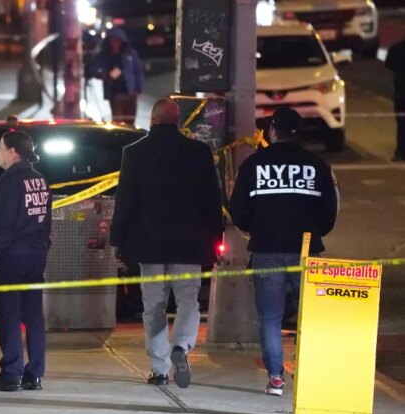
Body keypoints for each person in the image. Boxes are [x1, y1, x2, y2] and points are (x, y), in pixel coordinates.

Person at [110, 99, 223, 389]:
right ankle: (181, 347)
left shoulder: (134, 153)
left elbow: (125, 201)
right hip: (189, 243)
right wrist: (216, 239)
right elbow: (212, 199)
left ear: (152, 119)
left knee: (154, 305)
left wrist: (118, 241)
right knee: (188, 301)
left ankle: (159, 368)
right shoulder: (198, 152)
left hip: (149, 244)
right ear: (176, 120)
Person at [230, 107, 338, 396]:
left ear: (272, 131)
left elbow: (238, 212)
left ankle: (276, 378)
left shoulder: (253, 166)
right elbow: (328, 214)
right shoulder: (317, 165)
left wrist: (257, 227)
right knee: (309, 317)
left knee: (270, 318)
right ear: (298, 132)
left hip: (266, 249)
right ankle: (309, 375)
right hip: (306, 251)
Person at [0, 131, 52, 392]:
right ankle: (34, 373)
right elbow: (45, 223)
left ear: (13, 152)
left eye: (0, 147)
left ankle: (11, 372)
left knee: (8, 315)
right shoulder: (39, 180)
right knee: (33, 315)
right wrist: (43, 248)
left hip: (11, 256)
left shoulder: (9, 182)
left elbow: (1, 226)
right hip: (35, 256)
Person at [90, 27, 144, 125]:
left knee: (130, 122)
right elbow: (94, 68)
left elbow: (137, 71)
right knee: (118, 122)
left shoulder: (129, 54)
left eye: (117, 41)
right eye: (113, 41)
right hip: (115, 93)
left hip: (129, 93)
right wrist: (102, 75)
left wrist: (137, 89)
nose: (115, 43)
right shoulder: (104, 56)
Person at [385, 38, 405, 161]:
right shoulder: (397, 48)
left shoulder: (397, 48)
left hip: (401, 92)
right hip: (401, 92)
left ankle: (401, 152)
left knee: (402, 124)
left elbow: (388, 64)